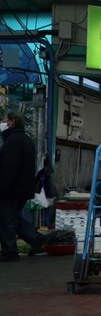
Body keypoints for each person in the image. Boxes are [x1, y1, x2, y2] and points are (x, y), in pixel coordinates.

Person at [0, 111, 46, 262]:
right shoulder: (25, 139)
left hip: (11, 190)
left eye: (4, 119)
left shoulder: (13, 141)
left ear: (12, 122)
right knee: (12, 218)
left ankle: (10, 252)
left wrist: (2, 189)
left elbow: (9, 168)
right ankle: (35, 238)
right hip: (22, 189)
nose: (1, 121)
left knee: (6, 221)